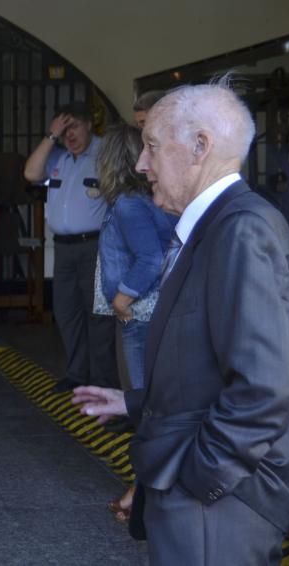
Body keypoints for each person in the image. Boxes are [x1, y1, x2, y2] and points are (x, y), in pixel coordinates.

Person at [72, 82, 289, 565]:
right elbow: (207, 365)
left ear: (200, 146)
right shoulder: (220, 225)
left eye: (153, 147)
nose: (141, 164)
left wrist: (192, 481)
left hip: (218, 500)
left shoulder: (241, 230)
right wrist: (134, 402)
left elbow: (262, 391)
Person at [93, 122, 176, 520]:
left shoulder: (128, 204)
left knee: (144, 405)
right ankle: (144, 486)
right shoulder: (147, 200)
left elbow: (150, 259)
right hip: (150, 314)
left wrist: (123, 299)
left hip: (140, 316)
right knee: (152, 403)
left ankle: (146, 491)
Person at [23, 101, 118, 392]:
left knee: (98, 315)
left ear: (89, 123)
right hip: (63, 248)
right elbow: (31, 174)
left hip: (95, 246)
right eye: (63, 131)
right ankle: (77, 374)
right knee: (67, 311)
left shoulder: (105, 153)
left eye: (73, 126)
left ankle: (103, 381)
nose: (69, 136)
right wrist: (51, 137)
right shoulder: (59, 159)